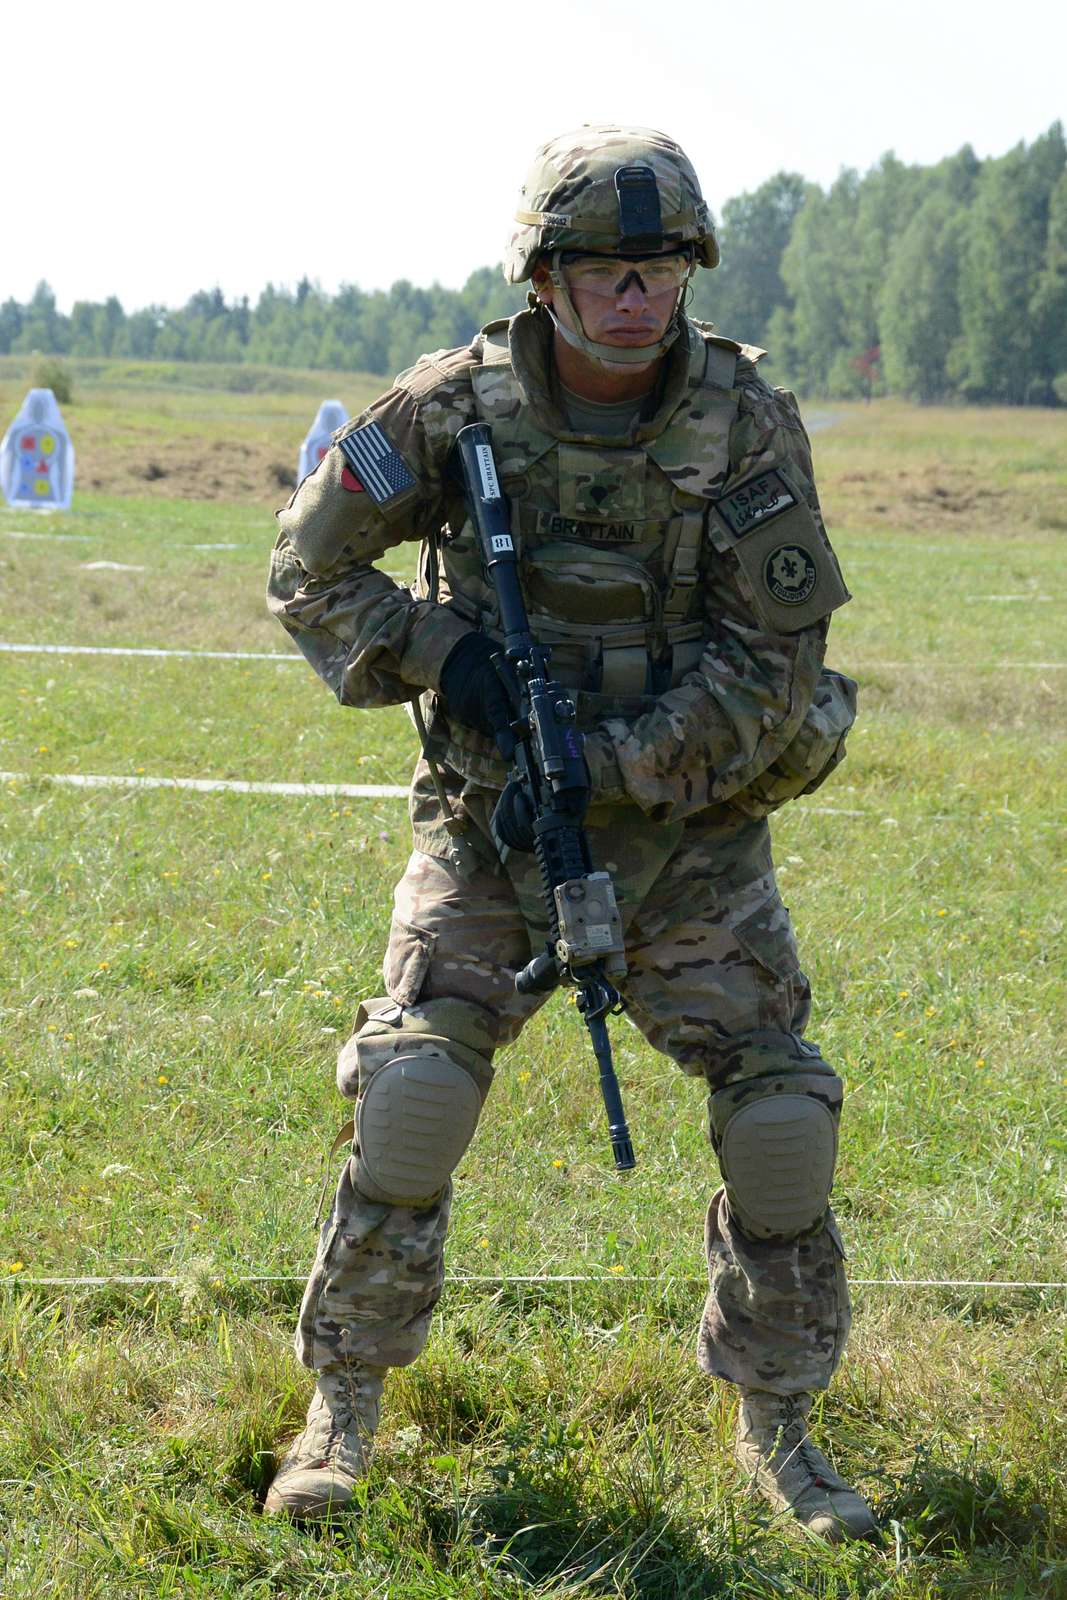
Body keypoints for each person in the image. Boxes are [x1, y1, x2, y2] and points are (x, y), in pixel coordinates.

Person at [264, 125, 873, 1542]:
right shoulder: (446, 409)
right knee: (411, 1101)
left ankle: (780, 1427)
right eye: (601, 267)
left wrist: (600, 767)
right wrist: (437, 653)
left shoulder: (746, 418)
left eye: (658, 265)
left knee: (782, 1126)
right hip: (492, 826)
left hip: (689, 837)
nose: (634, 295)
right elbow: (304, 568)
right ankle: (341, 1412)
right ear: (543, 278)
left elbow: (771, 674)